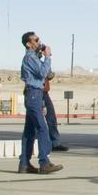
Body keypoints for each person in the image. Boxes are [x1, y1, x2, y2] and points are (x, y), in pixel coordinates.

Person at [18, 31, 63, 174]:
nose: (39, 43)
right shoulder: (30, 58)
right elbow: (43, 74)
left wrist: (44, 57)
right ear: (28, 44)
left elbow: (48, 74)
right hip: (33, 94)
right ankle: (44, 162)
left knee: (29, 131)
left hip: (36, 95)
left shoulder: (35, 58)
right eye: (35, 40)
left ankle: (24, 164)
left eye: (39, 40)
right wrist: (48, 57)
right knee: (43, 129)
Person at [41, 72, 69, 152]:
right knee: (37, 120)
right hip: (37, 92)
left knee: (51, 119)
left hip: (45, 93)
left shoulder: (42, 64)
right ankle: (38, 144)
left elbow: (45, 76)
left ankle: (55, 143)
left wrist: (49, 76)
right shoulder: (34, 63)